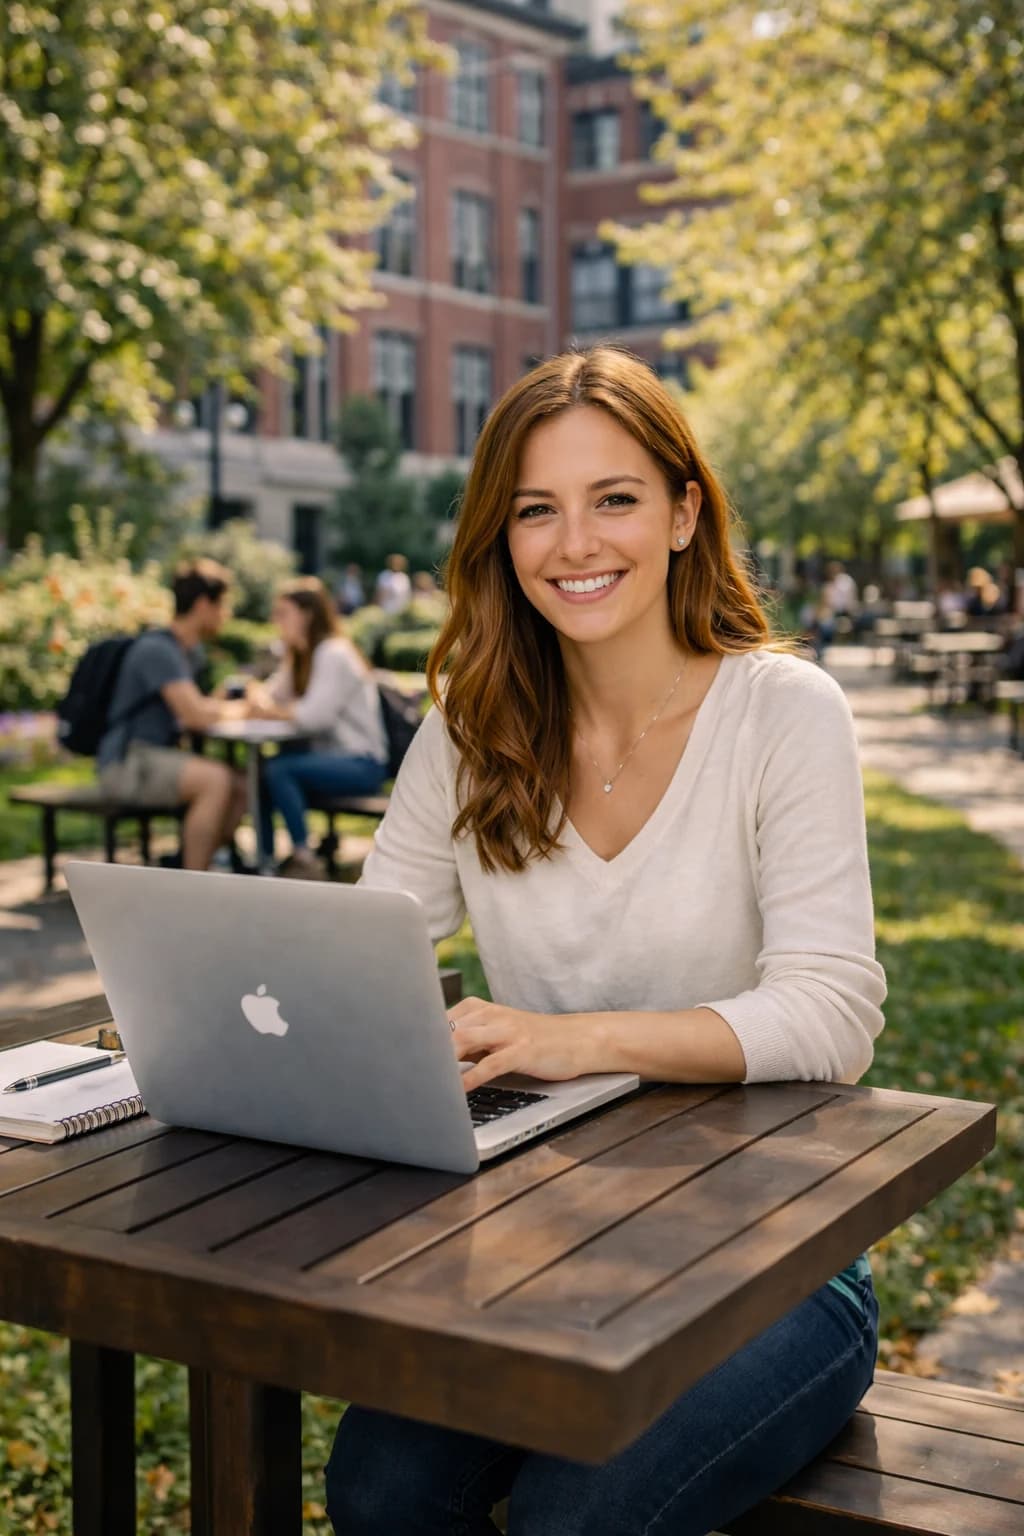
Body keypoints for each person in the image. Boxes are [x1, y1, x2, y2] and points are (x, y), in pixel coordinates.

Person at [324, 345, 886, 1535]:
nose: (575, 544)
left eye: (614, 498)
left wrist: (571, 1040)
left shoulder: (782, 713)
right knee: (375, 1490)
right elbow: (362, 954)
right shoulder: (470, 731)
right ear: (500, 537)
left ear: (685, 513)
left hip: (775, 1249)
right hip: (537, 1238)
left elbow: (833, 1015)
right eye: (537, 509)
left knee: (576, 1519)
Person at [96, 560, 250, 872]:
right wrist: (246, 709)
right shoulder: (158, 650)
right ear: (204, 604)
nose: (226, 615)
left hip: (152, 757)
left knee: (242, 785)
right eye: (223, 606)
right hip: (127, 762)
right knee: (215, 780)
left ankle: (199, 861)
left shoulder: (187, 651)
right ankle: (193, 883)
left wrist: (217, 704)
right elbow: (195, 716)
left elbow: (195, 708)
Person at [245, 578, 389, 878]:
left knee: (279, 769)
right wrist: (269, 692)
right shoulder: (302, 654)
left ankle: (303, 857)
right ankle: (266, 862)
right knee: (262, 771)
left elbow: (314, 717)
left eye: (283, 613)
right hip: (329, 759)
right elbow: (269, 696)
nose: (276, 621)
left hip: (361, 762)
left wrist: (271, 709)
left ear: (307, 614)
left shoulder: (333, 653)